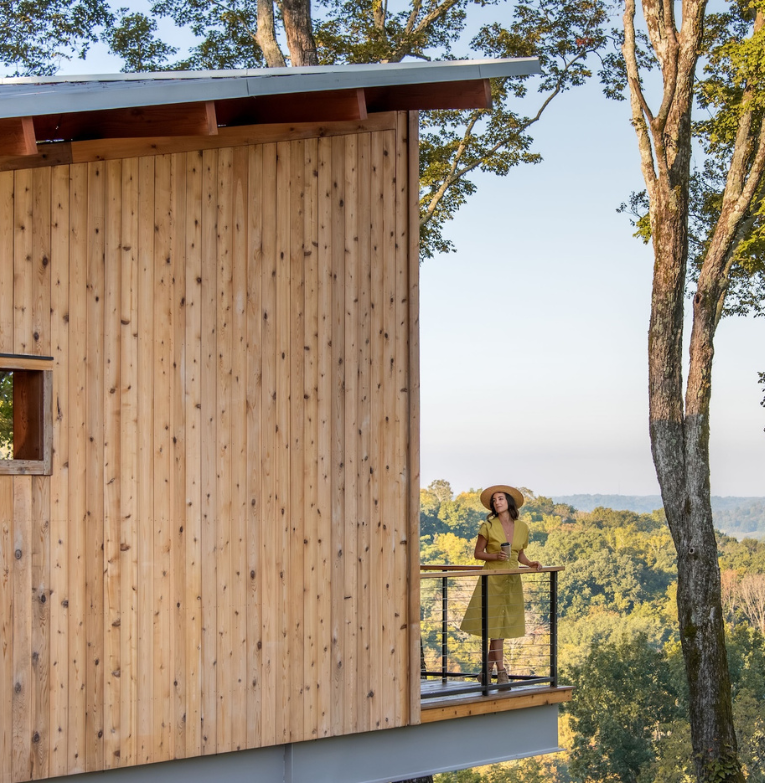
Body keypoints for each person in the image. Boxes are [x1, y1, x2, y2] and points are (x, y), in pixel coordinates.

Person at [459, 484, 541, 684]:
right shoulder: (487, 526)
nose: (497, 502)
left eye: (500, 499)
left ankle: (486, 673)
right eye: (494, 500)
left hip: (512, 579)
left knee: (500, 627)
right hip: (492, 578)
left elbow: (519, 554)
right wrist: (494, 555)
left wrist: (530, 563)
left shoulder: (522, 527)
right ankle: (502, 672)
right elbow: (477, 553)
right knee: (495, 628)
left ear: (509, 502)